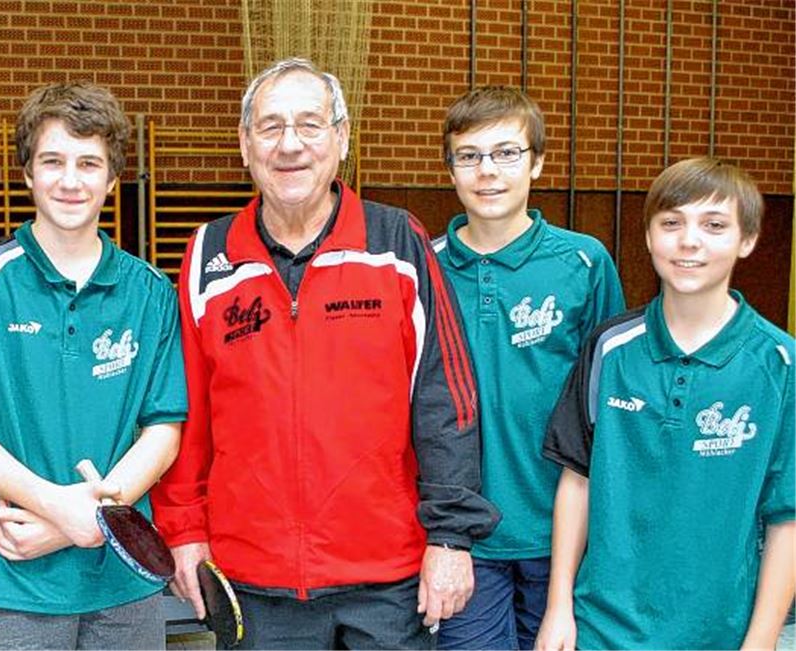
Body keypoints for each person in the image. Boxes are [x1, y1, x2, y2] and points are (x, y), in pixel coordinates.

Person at [151, 57, 500, 649]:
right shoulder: (207, 255)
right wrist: (184, 532)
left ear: (341, 138)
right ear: (245, 144)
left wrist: (451, 538)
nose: (291, 145)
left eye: (310, 125)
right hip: (254, 581)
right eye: (271, 126)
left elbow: (448, 399)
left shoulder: (397, 242)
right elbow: (185, 410)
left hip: (386, 578)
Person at [0, 82, 187, 650]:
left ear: (112, 179)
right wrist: (54, 506)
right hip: (12, 567)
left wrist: (88, 521)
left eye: (89, 163)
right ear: (28, 172)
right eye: (53, 161)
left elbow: (164, 429)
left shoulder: (152, 291)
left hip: (122, 573)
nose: (70, 179)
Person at [536, 157, 795, 650]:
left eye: (714, 225)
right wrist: (558, 608)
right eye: (671, 223)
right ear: (650, 237)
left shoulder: (780, 364)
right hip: (600, 630)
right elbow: (577, 480)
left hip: (718, 634)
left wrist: (760, 643)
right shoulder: (609, 348)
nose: (689, 240)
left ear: (748, 240)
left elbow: (788, 519)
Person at [431, 86, 625, 650]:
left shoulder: (585, 262)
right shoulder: (426, 267)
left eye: (506, 153)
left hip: (565, 534)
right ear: (451, 170)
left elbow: (608, 401)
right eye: (469, 156)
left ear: (537, 162)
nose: (487, 171)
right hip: (467, 539)